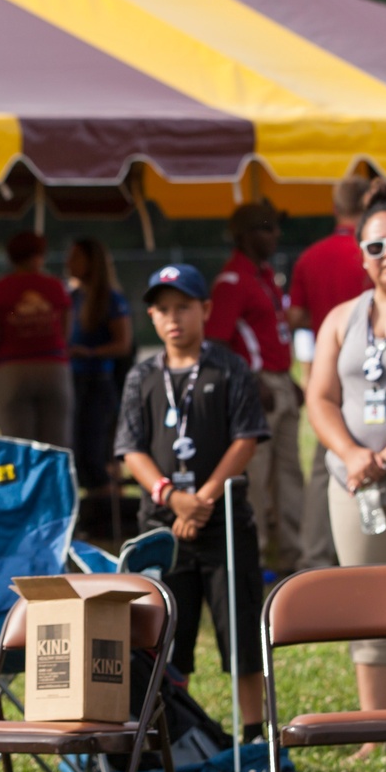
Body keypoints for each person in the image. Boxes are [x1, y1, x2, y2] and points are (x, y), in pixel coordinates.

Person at [114, 264, 269, 737]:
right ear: (152, 318)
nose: (173, 318)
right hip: (162, 527)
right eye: (162, 310)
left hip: (223, 522)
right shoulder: (142, 376)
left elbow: (246, 438)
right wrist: (171, 497)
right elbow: (129, 450)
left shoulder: (228, 367)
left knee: (241, 634)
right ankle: (178, 730)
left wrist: (201, 500)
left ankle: (253, 733)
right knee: (163, 638)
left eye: (183, 307)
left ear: (204, 310)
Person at [306, 180, 386, 759]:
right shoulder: (340, 318)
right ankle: (375, 731)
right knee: (369, 604)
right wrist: (353, 455)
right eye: (376, 247)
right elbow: (320, 397)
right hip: (355, 483)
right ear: (361, 256)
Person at [205, 202, 304, 575]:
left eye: (275, 228)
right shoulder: (232, 281)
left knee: (290, 475)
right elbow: (217, 341)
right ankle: (257, 557)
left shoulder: (264, 276)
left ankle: (294, 555)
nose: (275, 234)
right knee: (257, 478)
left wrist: (289, 379)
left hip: (280, 384)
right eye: (266, 228)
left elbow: (268, 335)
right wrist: (252, 379)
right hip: (257, 390)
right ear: (244, 236)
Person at [288, 178, 373, 569]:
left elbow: (297, 318)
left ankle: (316, 555)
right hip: (372, 369)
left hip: (327, 367)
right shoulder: (375, 251)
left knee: (324, 467)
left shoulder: (311, 256)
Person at [0, 231, 73, 448]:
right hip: (53, 369)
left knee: (17, 447)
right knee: (57, 448)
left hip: (12, 370)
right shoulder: (55, 287)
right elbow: (65, 334)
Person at [66, 236, 133, 490]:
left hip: (98, 384)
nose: (68, 263)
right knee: (77, 455)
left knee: (97, 456)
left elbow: (123, 344)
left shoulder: (111, 299)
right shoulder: (70, 296)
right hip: (73, 382)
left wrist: (90, 352)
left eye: (76, 258)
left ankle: (111, 515)